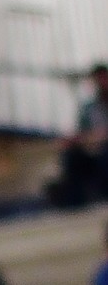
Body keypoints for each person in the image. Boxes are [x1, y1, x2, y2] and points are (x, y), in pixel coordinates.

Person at [51, 64, 108, 209]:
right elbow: (83, 132)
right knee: (72, 156)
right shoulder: (89, 108)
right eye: (98, 79)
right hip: (93, 150)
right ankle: (75, 204)